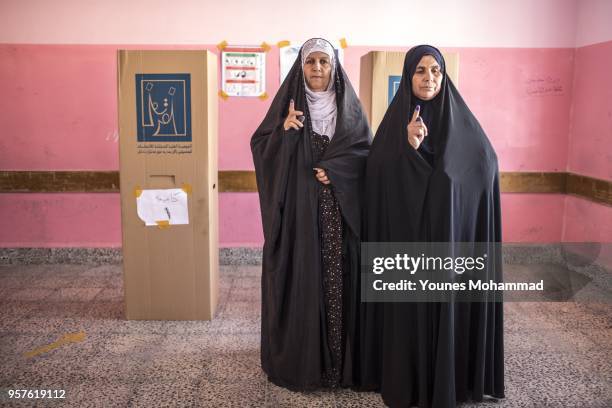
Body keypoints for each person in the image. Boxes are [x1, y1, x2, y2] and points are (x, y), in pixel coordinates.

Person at [360, 45, 505, 407]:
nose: (429, 78)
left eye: (436, 71)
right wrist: (408, 148)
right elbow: (378, 179)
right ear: (408, 76)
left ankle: (451, 378)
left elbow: (484, 166)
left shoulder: (465, 128)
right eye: (421, 71)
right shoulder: (393, 129)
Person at [251, 38, 371, 390]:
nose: (317, 68)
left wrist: (338, 171)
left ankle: (338, 365)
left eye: (324, 61)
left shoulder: (350, 110)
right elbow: (262, 151)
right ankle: (306, 364)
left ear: (334, 67)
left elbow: (366, 156)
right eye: (310, 62)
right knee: (303, 280)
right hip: (299, 220)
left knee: (337, 284)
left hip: (340, 218)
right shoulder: (287, 108)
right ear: (300, 67)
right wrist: (285, 135)